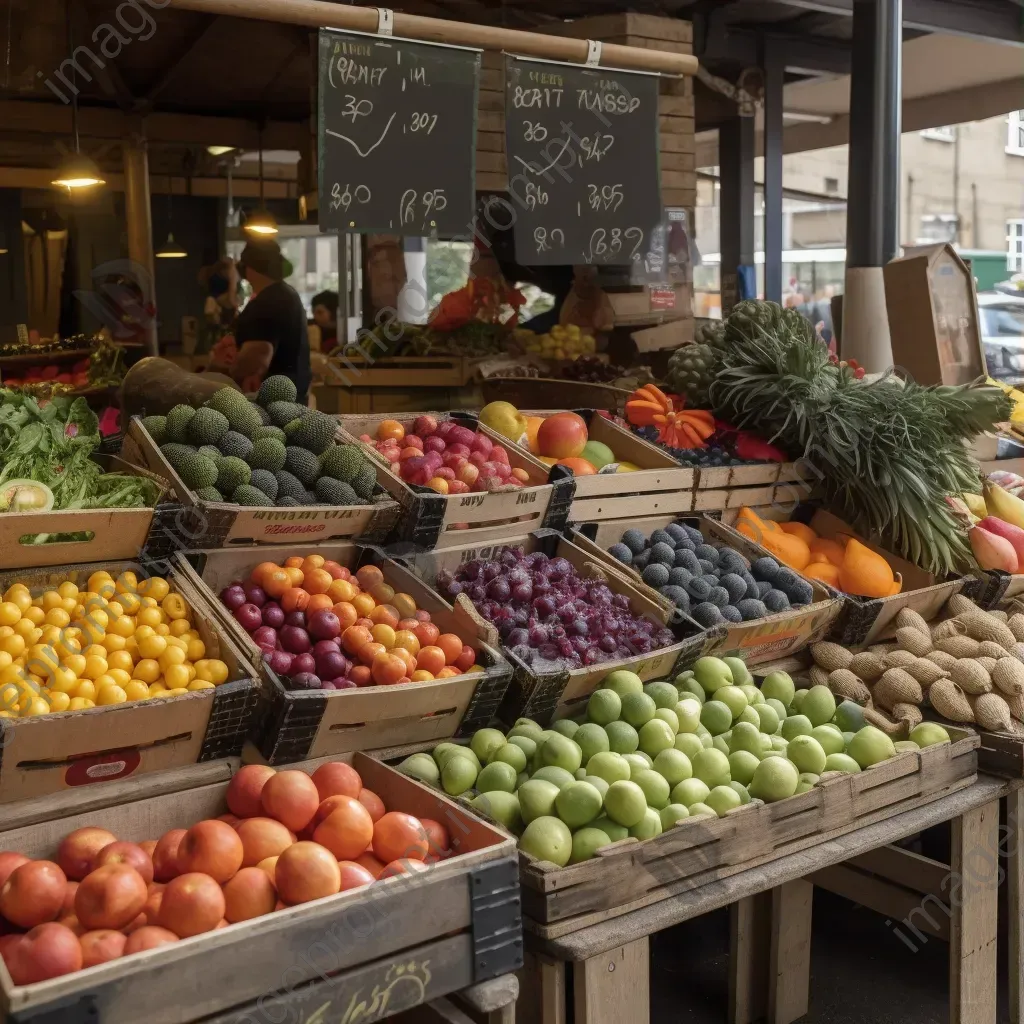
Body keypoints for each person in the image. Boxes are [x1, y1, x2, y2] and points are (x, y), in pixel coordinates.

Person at [210, 240, 311, 402]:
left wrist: (227, 373)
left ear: (250, 268)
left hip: (273, 403)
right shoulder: (287, 293)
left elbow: (258, 354)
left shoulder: (266, 302)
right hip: (294, 396)